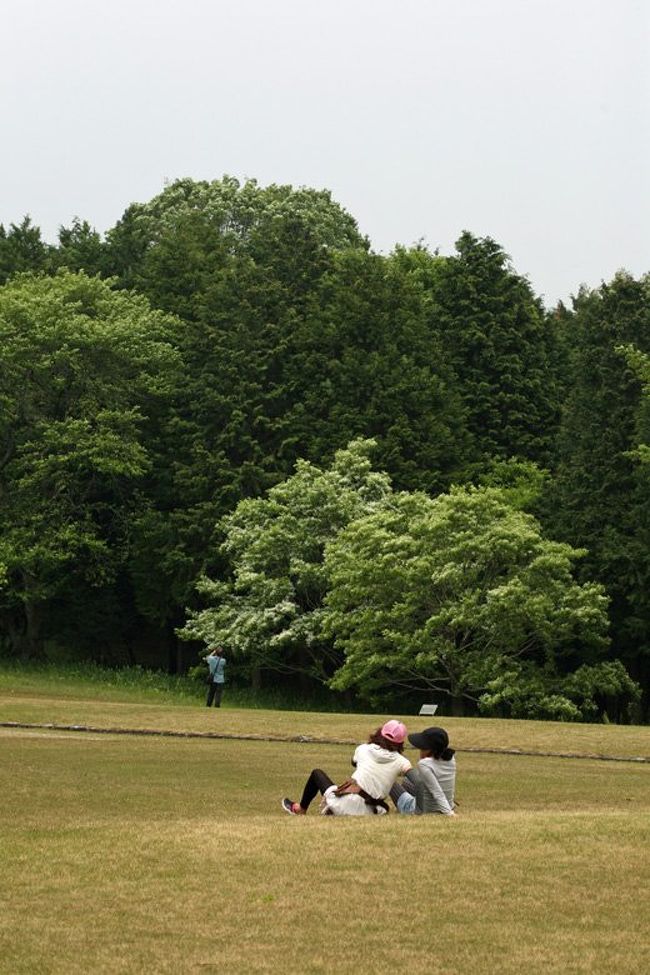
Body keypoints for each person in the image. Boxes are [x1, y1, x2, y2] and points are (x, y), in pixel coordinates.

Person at [282, 720, 412, 816]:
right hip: (372, 811)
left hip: (347, 804)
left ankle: (301, 809)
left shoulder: (363, 749)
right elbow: (413, 776)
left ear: (380, 733)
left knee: (317, 774)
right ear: (400, 744)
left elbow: (354, 762)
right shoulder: (402, 761)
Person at [389, 726, 456, 816]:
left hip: (426, 810)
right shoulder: (451, 759)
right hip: (448, 804)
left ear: (431, 750)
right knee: (407, 781)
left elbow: (437, 792)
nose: (420, 750)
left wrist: (449, 813)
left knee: (390, 781)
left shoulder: (424, 764)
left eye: (422, 747)